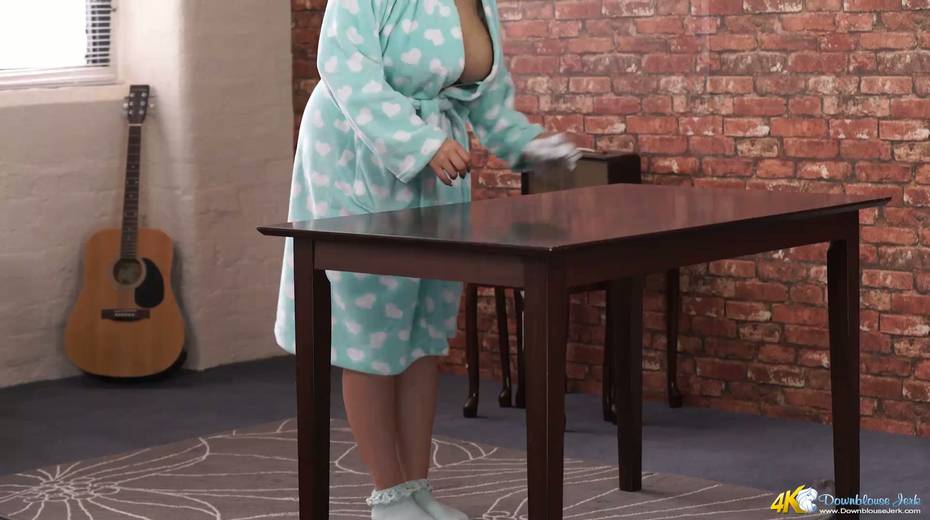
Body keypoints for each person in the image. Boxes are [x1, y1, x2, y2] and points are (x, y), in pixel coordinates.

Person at [275, 0, 579, 518]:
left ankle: (416, 490)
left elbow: (487, 101)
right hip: (359, 159)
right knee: (372, 335)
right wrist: (419, 143)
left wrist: (528, 146)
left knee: (424, 334)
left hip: (437, 173)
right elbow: (345, 68)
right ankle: (387, 496)